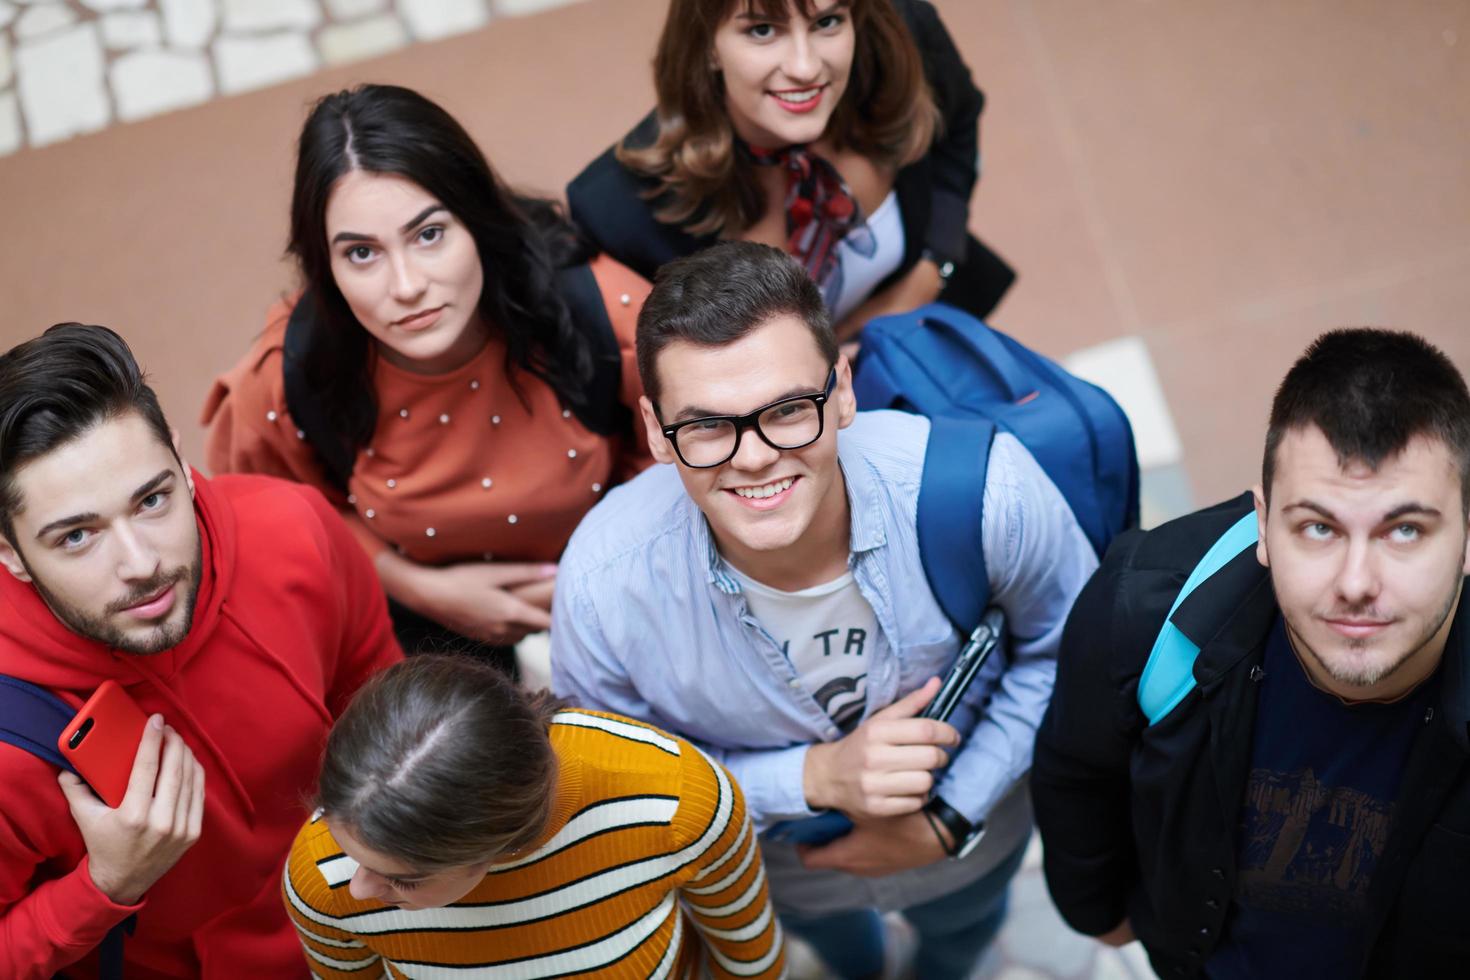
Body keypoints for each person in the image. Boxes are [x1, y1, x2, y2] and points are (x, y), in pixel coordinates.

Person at [550, 242, 1095, 978]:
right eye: (706, 426)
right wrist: (812, 779)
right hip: (790, 874)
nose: (753, 459)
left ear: (841, 390)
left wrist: (952, 812)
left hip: (973, 837)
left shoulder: (987, 491)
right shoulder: (601, 589)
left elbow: (1071, 650)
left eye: (785, 409)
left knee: (961, 937)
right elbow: (623, 782)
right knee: (844, 957)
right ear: (654, 430)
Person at [1031, 329, 1470, 978]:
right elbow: (1075, 770)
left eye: (1404, 530)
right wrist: (1101, 915)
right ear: (1264, 526)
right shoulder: (1148, 606)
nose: (1355, 583)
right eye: (1317, 528)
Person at [0, 324, 401, 977]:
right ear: (11, 555)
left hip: (378, 926)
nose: (141, 563)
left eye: (152, 499)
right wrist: (104, 886)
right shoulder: (7, 746)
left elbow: (386, 695)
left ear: (183, 467)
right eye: (77, 536)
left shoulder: (295, 529)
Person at [204, 84, 653, 665]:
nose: (407, 285)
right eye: (362, 253)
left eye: (429, 234)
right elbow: (280, 514)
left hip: (626, 580)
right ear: (326, 266)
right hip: (417, 618)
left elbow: (684, 463)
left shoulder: (604, 310)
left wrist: (596, 574)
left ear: (477, 221)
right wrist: (421, 589)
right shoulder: (290, 375)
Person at [283, 654, 785, 978]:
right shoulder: (321, 876)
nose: (359, 890)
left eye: (406, 880)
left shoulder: (677, 799)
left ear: (504, 841)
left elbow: (750, 959)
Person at [568, 0, 1014, 342]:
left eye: (827, 22)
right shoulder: (620, 206)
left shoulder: (905, 39)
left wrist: (931, 271)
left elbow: (958, 123)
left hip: (932, 340)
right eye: (763, 30)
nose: (805, 67)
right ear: (705, 45)